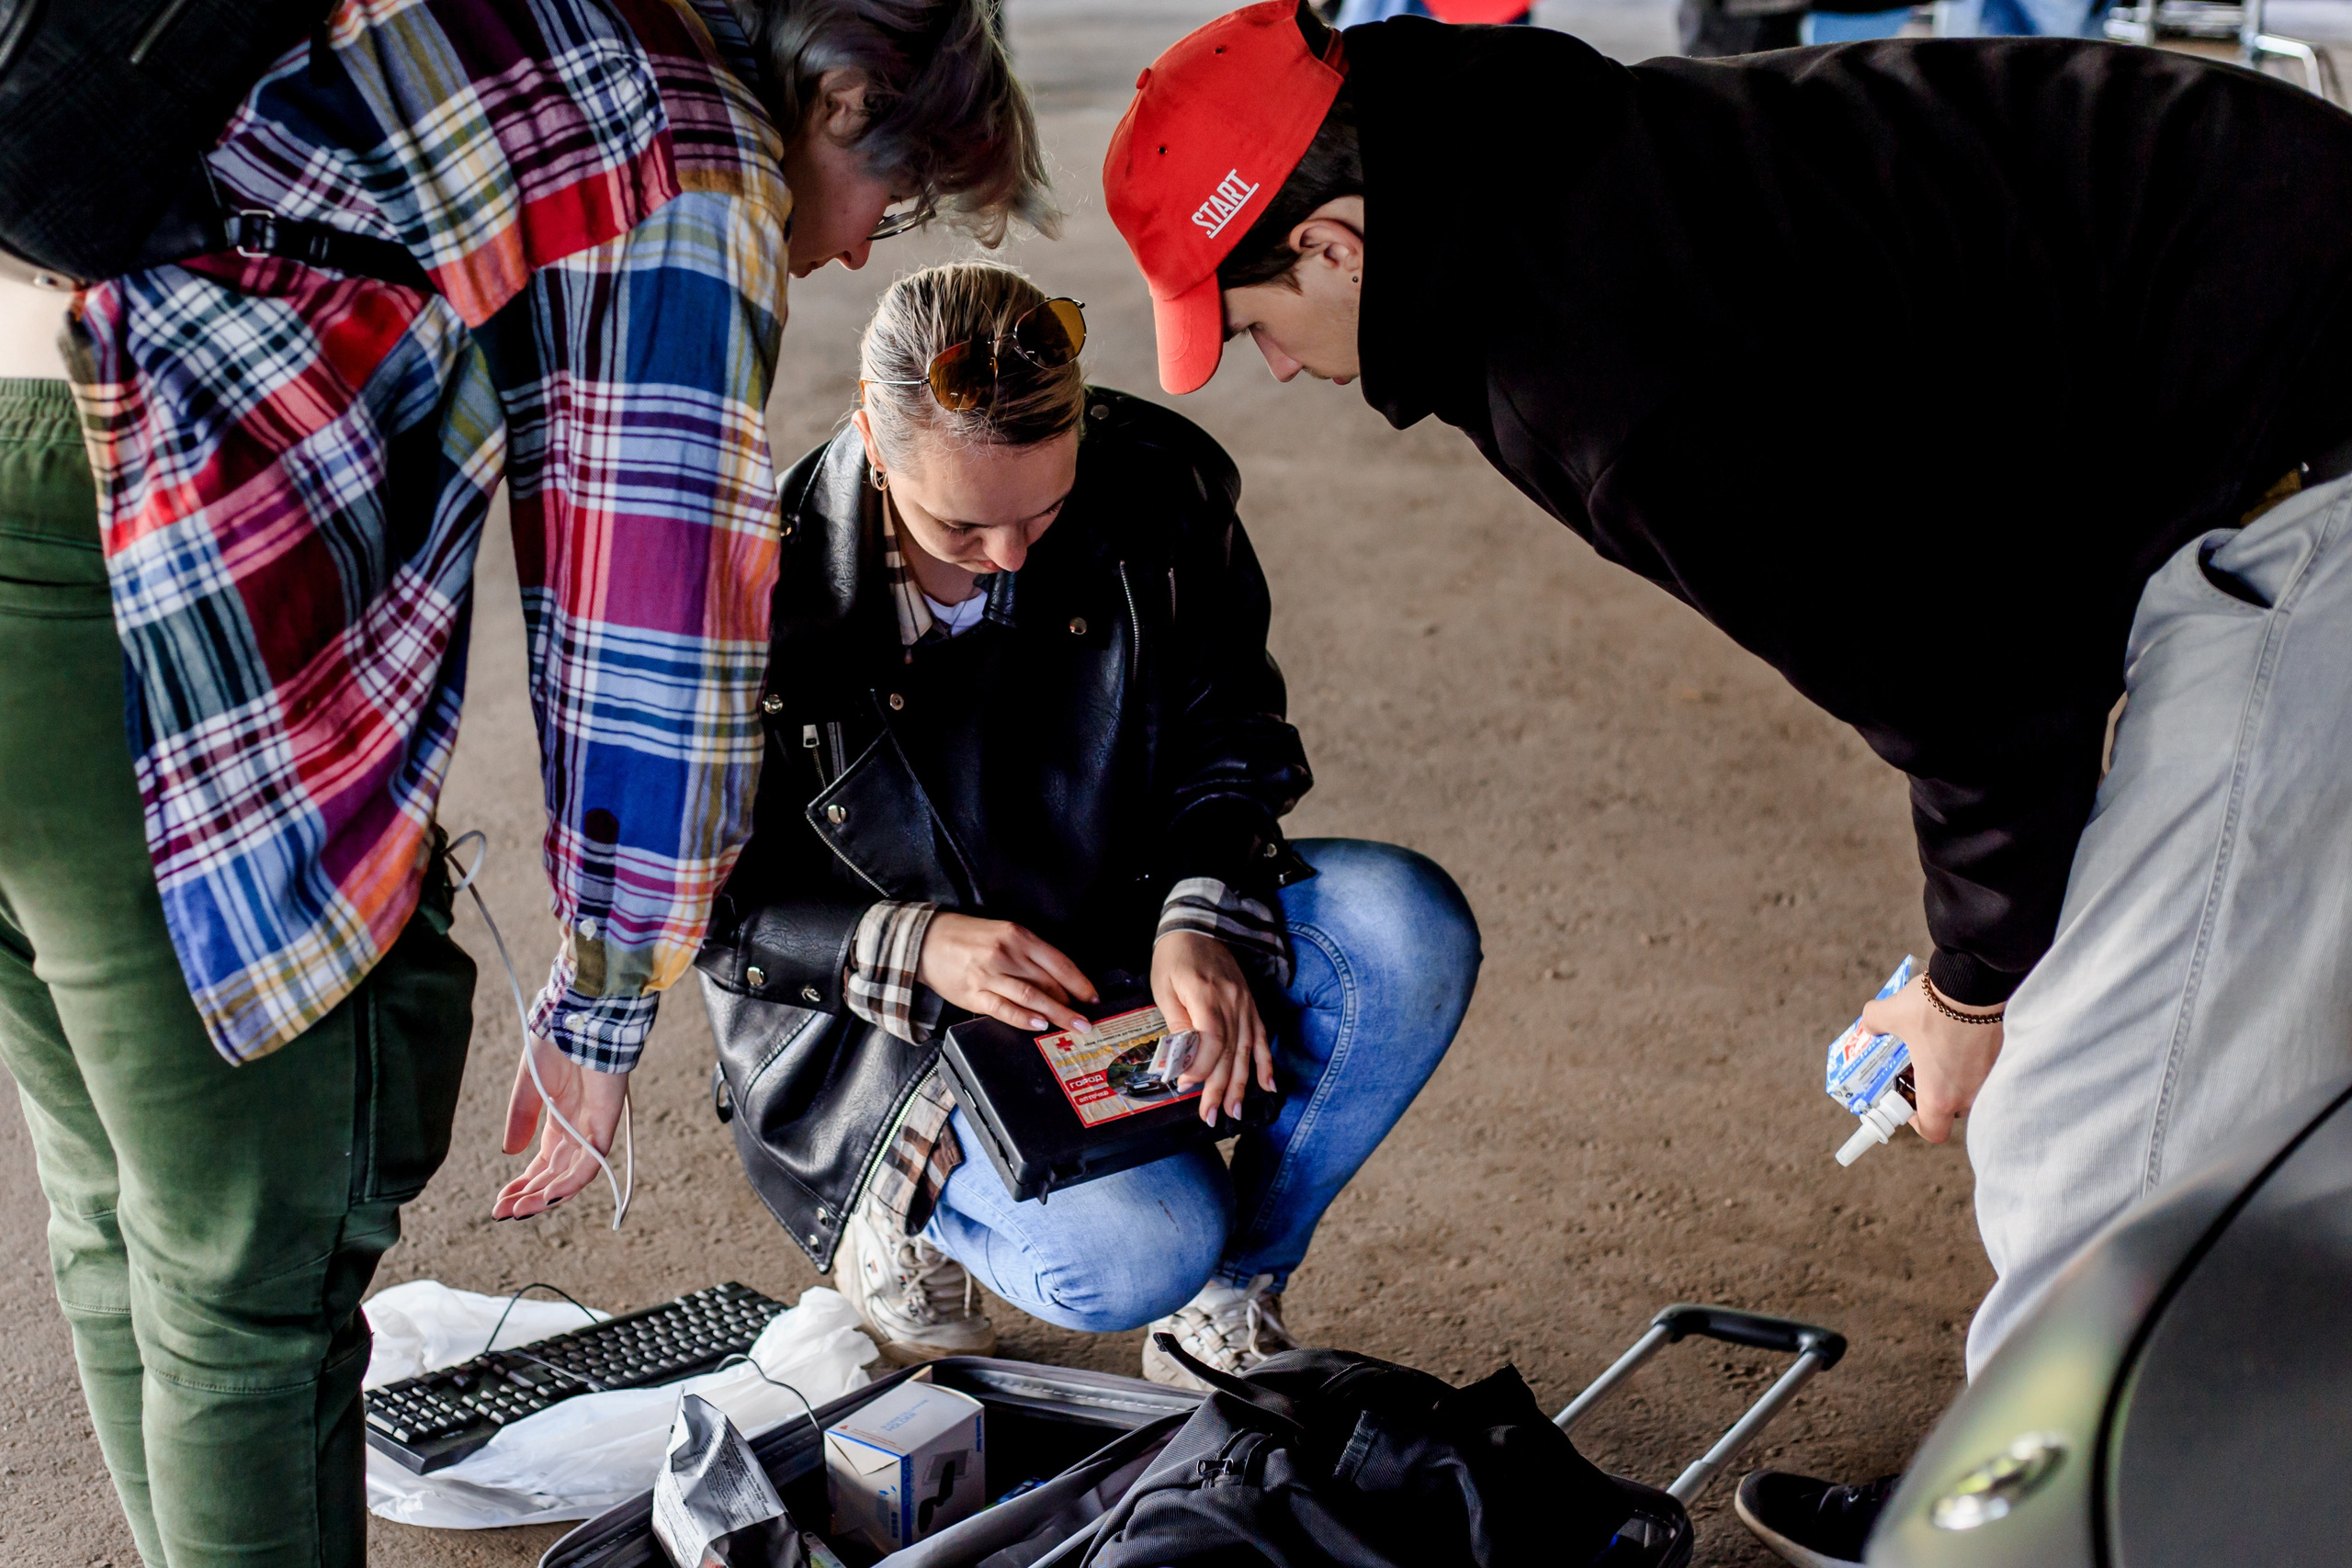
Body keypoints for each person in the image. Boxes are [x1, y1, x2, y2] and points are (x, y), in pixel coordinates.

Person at [1102, 3, 2352, 1561]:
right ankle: (2161, 1470)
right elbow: (1984, 565)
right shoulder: (1551, 164)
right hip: (2234, 344)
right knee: (2244, 1010)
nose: (1269, 369)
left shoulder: (1608, 369)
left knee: (2085, 1113)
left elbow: (1978, 695)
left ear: (1342, 244)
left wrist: (1972, 1001)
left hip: (2303, 443)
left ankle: (2024, 1526)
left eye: (1254, 317)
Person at [0, 2, 1046, 1562]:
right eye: (884, 204)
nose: (849, 257)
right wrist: (608, 998)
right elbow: (646, 619)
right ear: (835, 94)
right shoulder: (696, 136)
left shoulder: (533, 16)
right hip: (109, 567)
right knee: (254, 1276)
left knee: (118, 1206)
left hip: (29, 436)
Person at [695, 260, 1481, 1386]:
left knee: (1406, 931)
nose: (1011, 557)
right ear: (873, 436)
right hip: (882, 1018)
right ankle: (903, 1217)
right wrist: (916, 944)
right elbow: (701, 906)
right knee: (1135, 1250)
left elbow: (1234, 729)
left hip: (1113, 911)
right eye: (961, 526)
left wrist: (1197, 913)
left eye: (1046, 512)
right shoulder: (751, 591)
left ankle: (1230, 1289)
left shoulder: (1159, 485)